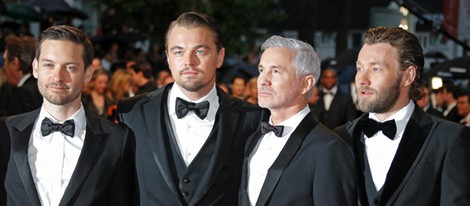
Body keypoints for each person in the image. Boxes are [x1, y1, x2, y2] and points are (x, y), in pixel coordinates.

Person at [116, 12, 263, 205]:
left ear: (220, 57)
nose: (189, 61)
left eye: (200, 51)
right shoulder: (131, 112)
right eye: (178, 52)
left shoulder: (252, 119)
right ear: (168, 58)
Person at [334, 27, 470, 206]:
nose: (361, 79)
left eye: (375, 69)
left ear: (408, 76)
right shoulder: (339, 138)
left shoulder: (449, 139)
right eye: (360, 68)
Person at [0, 25, 134, 206]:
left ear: (87, 73)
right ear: (35, 68)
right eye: (49, 65)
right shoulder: (5, 132)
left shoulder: (117, 140)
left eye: (70, 67)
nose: (58, 77)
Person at [239, 35, 357, 206]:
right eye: (261, 70)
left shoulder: (329, 148)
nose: (263, 81)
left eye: (276, 71)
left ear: (306, 84)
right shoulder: (252, 139)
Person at [0, 35, 42, 116]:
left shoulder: (23, 93)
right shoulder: (40, 86)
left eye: (5, 60)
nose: (4, 66)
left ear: (15, 63)